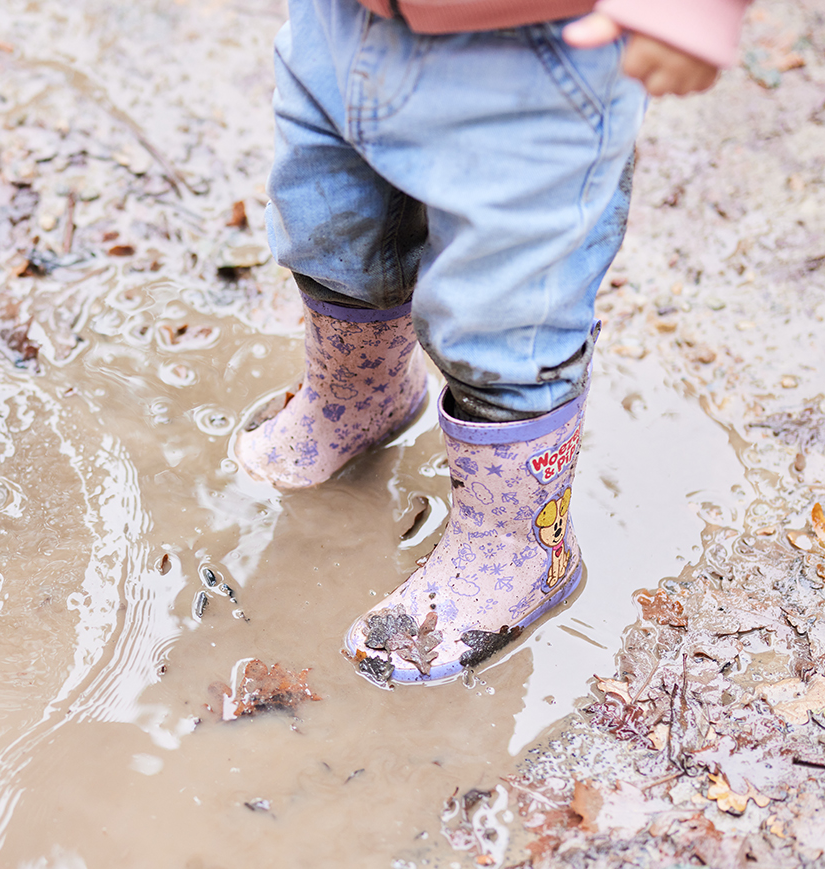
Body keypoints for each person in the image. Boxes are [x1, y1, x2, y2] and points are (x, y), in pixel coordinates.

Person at [235, 0, 746, 683]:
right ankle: (360, 396)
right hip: (339, 24)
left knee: (505, 320)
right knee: (329, 225)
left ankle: (515, 552)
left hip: (533, 59)